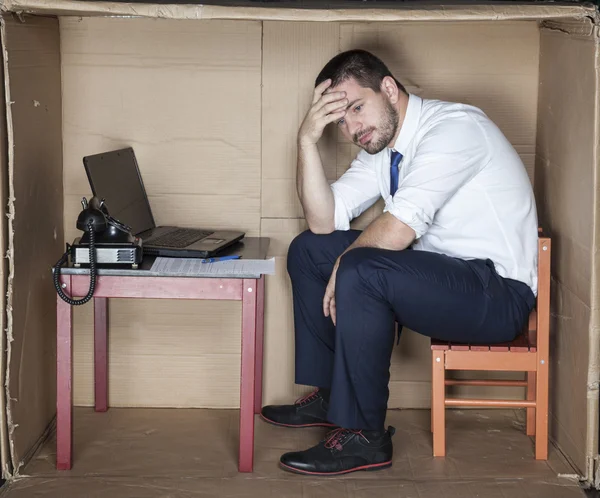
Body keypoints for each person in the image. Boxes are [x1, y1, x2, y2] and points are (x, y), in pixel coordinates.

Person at [260, 49, 538, 476]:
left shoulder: (455, 129)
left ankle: (365, 438)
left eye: (356, 107)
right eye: (340, 121)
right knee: (309, 251)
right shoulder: (384, 150)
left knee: (358, 267)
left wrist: (346, 266)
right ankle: (332, 393)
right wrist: (305, 141)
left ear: (388, 89)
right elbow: (322, 221)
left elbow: (400, 229)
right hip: (442, 279)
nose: (352, 128)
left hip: (496, 296)